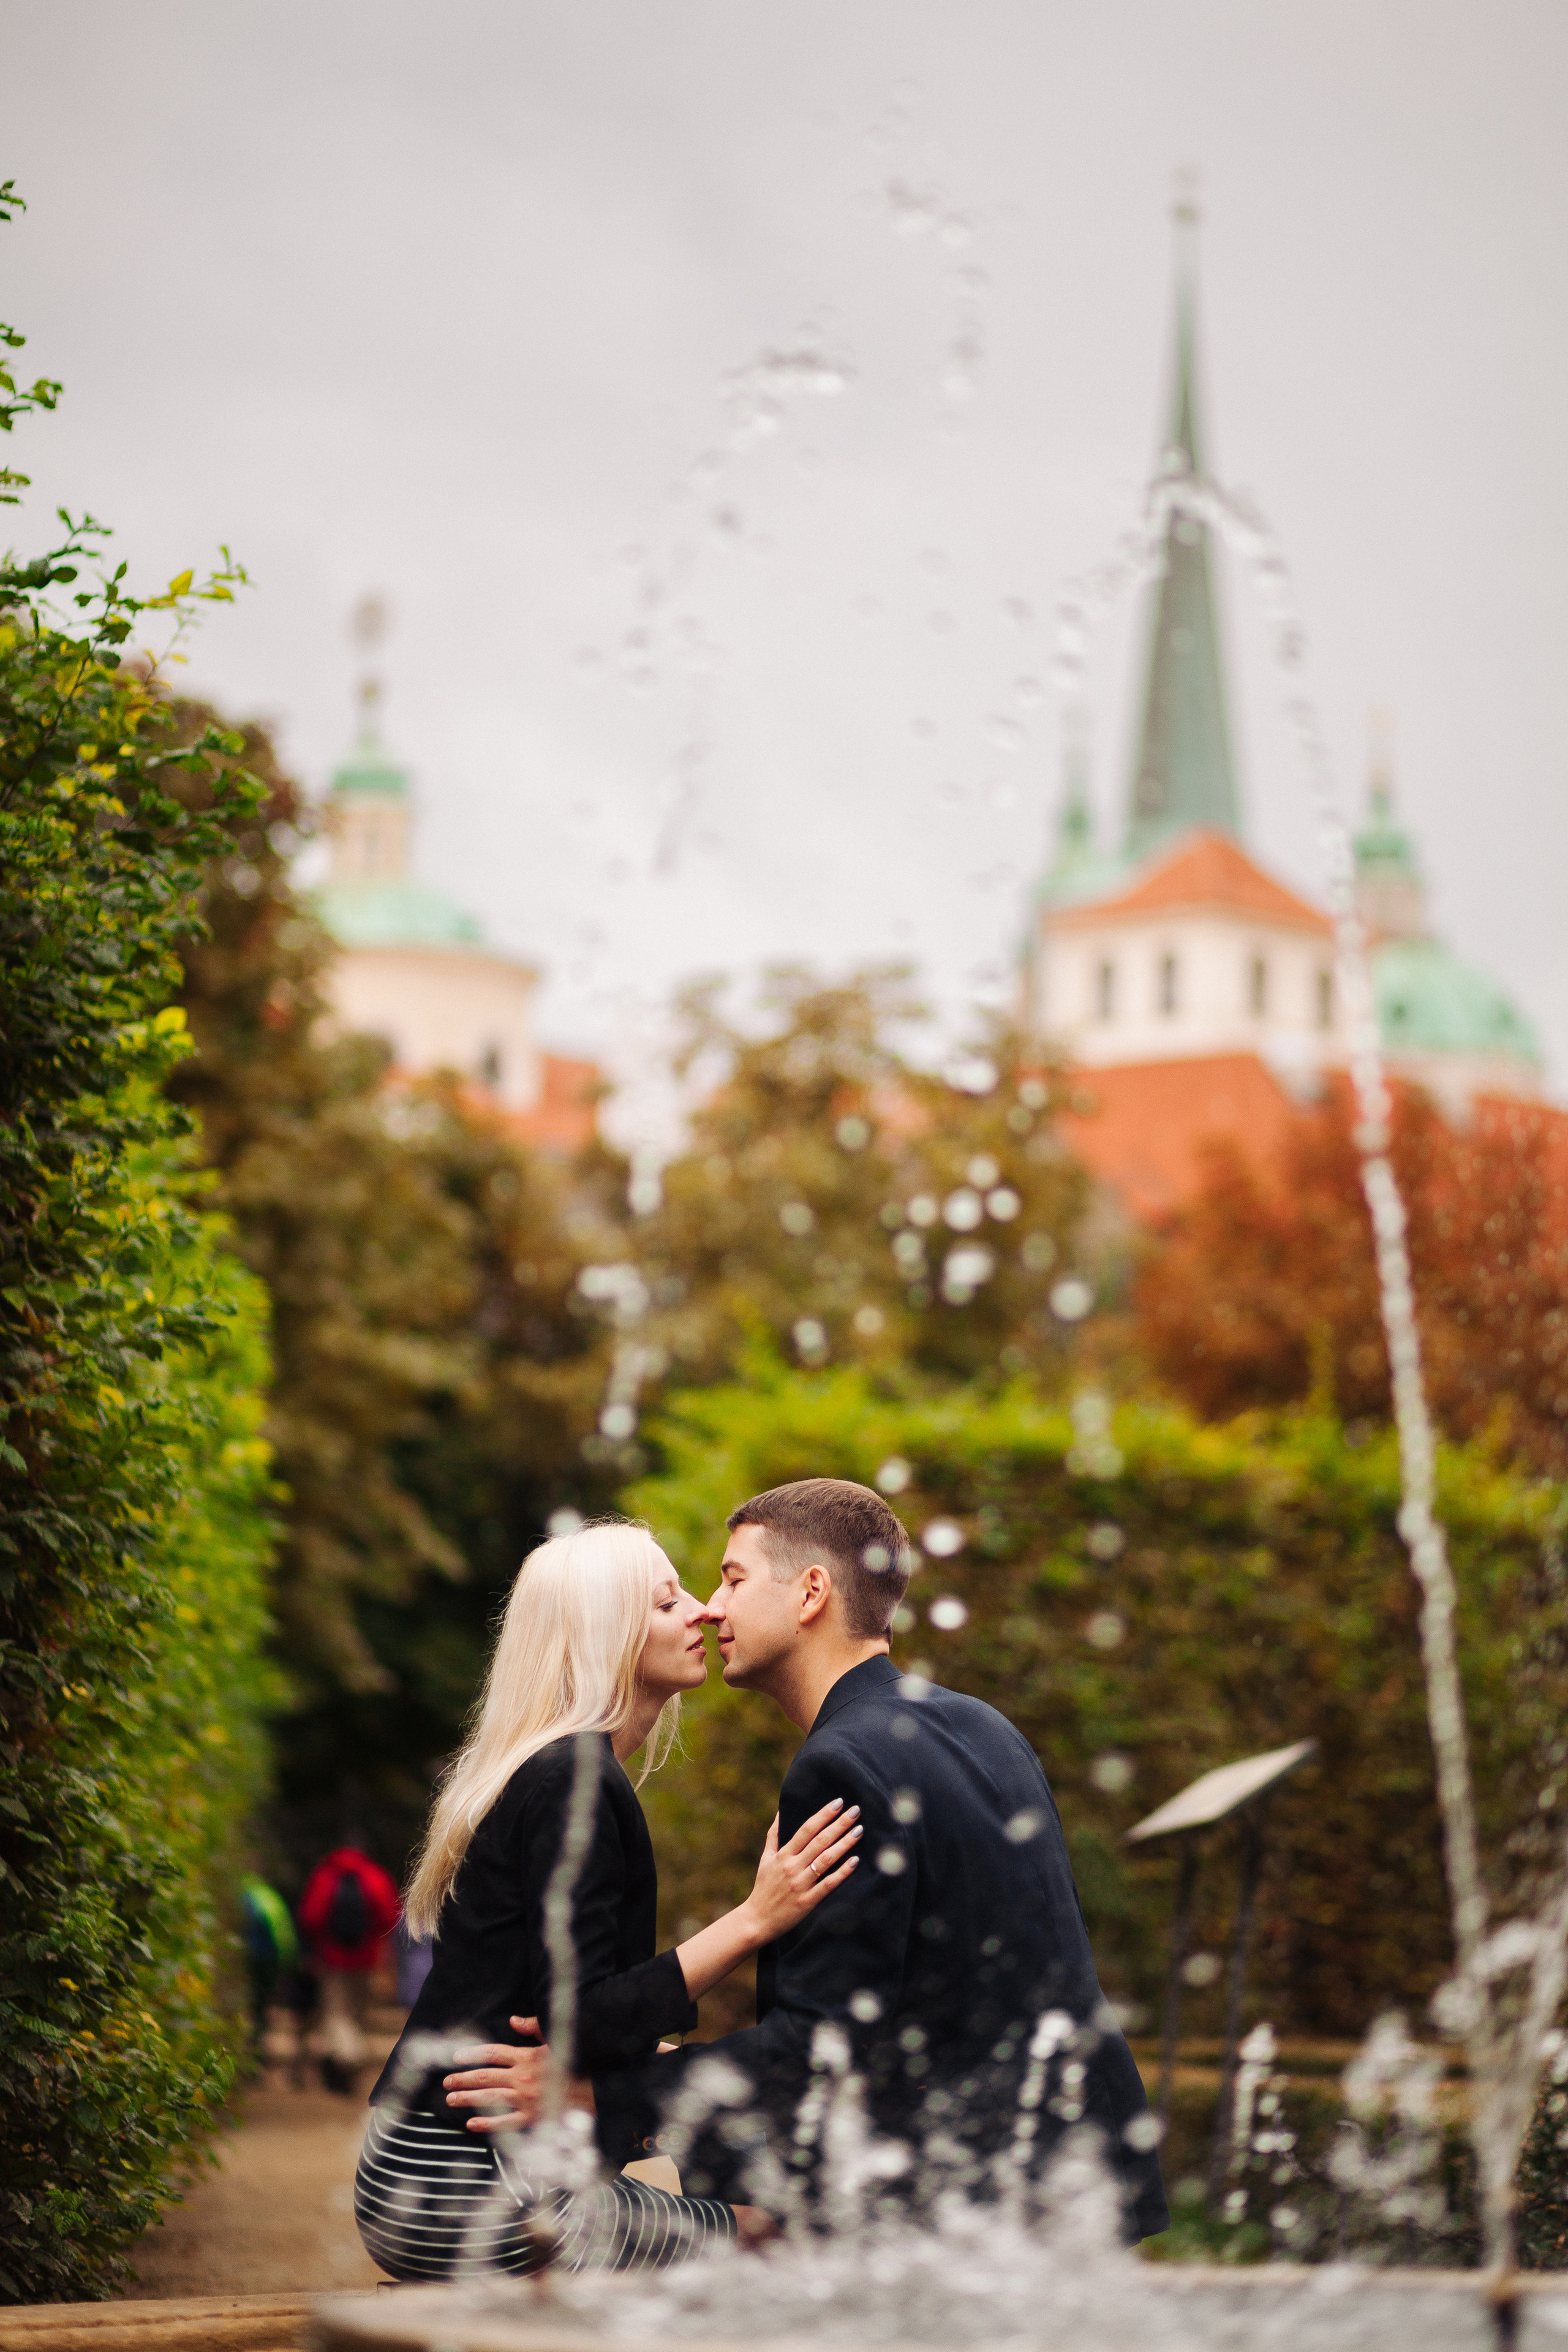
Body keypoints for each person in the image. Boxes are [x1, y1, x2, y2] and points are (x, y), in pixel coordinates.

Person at [468, 1479, 1169, 2244]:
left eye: (734, 1579)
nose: (713, 1607)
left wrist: (601, 2095)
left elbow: (820, 2048)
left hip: (965, 2206)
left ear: (810, 1593)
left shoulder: (839, 1764)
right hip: (1078, 2168)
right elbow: (934, 1998)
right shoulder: (979, 1724)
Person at [355, 1517, 860, 2279]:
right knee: (774, 2233)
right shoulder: (573, 1779)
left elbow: (560, 2012)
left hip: (431, 2173)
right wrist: (757, 1918)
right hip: (462, 2188)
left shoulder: (561, 1771)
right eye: (665, 1604)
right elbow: (581, 2017)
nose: (702, 1611)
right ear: (605, 1638)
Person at [298, 1845, 401, 2094]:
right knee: (357, 2012)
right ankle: (353, 2055)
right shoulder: (375, 1876)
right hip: (367, 1959)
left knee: (336, 2012)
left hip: (333, 1959)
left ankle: (346, 2055)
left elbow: (310, 1916)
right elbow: (391, 1917)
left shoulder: (325, 1876)